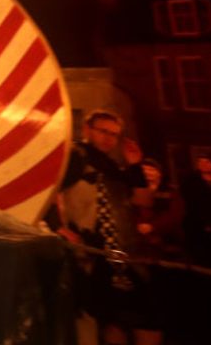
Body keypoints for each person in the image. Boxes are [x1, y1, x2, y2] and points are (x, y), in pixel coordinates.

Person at [55, 110, 158, 345]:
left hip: (122, 254)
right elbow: (52, 190)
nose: (109, 138)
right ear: (87, 130)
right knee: (108, 323)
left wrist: (135, 166)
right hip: (91, 253)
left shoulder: (114, 166)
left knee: (143, 321)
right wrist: (58, 227)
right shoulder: (75, 155)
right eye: (103, 131)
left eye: (114, 134)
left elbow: (142, 202)